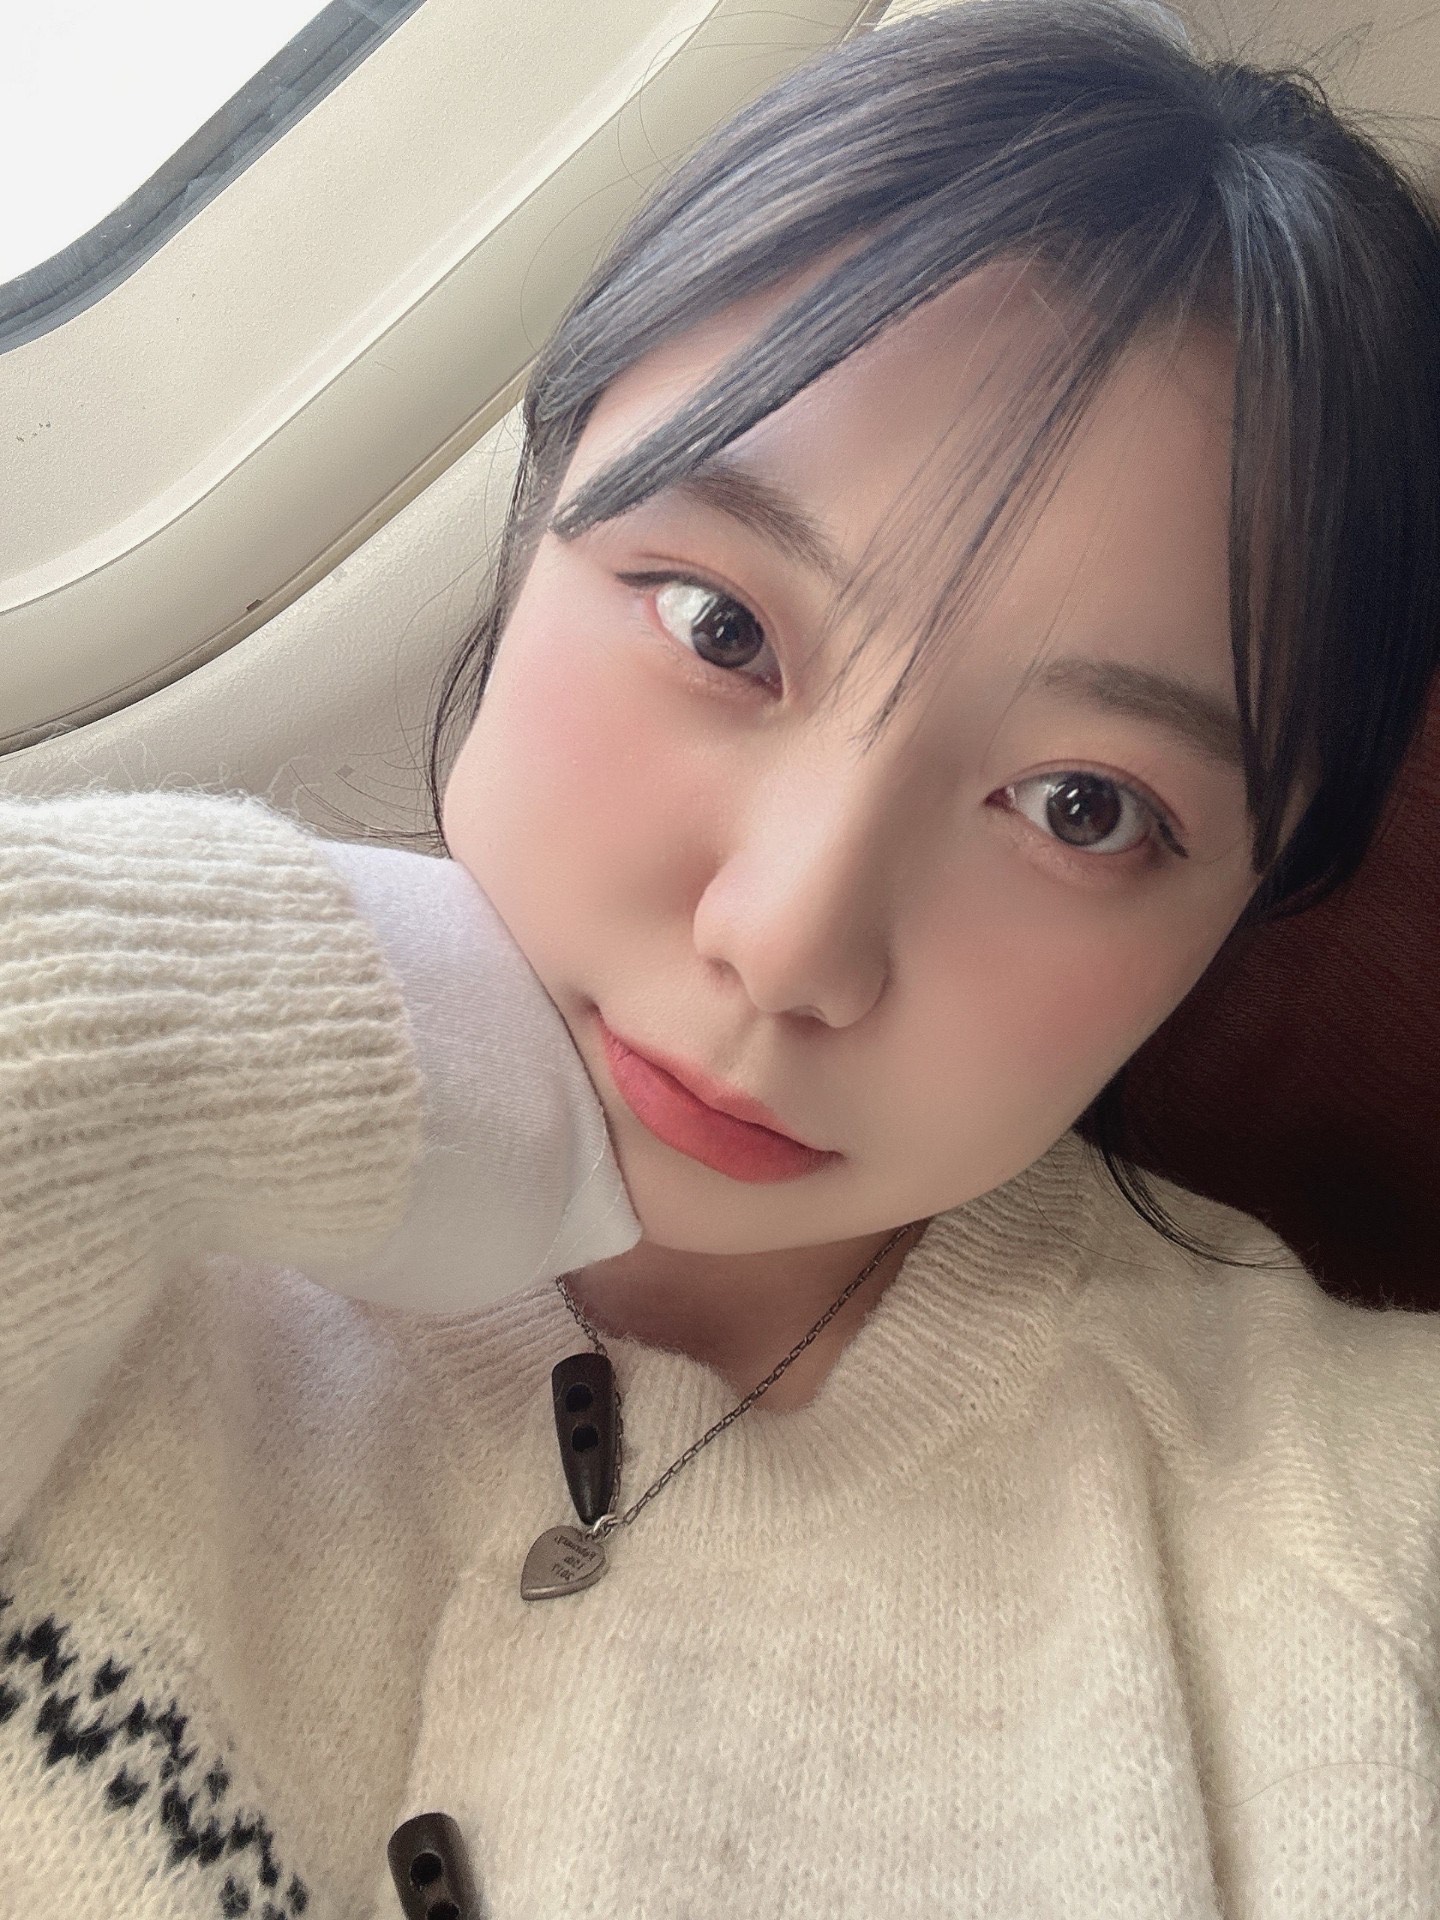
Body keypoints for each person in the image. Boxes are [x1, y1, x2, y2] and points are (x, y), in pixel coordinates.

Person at [2, 2, 1438, 1914]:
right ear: (539, 510)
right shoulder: (106, 1194)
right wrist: (154, 1005)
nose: (787, 944)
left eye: (1083, 806)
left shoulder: (1357, 1539)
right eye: (718, 626)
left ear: (1243, 906)